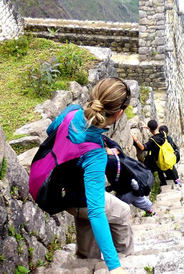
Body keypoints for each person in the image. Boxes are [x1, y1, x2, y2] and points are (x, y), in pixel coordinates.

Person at [45, 77, 132, 274]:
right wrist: (114, 266)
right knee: (123, 211)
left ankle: (86, 258)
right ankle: (124, 255)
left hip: (62, 195)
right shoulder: (94, 153)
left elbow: (50, 131)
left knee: (86, 214)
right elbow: (96, 210)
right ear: (119, 114)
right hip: (82, 201)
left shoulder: (71, 112)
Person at [103, 136, 156, 217]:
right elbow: (112, 142)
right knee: (142, 202)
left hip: (123, 193)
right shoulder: (117, 151)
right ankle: (152, 212)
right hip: (133, 187)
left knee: (116, 211)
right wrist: (103, 137)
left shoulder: (107, 162)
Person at [132, 120, 175, 186]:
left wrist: (136, 140)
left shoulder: (152, 141)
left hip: (159, 161)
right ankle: (177, 182)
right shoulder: (163, 133)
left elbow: (143, 148)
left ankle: (163, 184)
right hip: (167, 157)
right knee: (171, 170)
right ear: (158, 126)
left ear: (150, 129)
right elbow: (156, 133)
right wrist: (148, 128)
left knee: (159, 171)